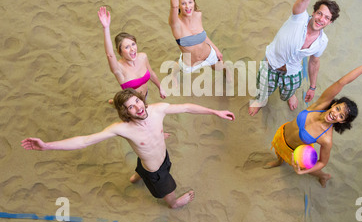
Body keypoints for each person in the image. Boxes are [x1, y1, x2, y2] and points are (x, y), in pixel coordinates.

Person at [21, 88, 235, 209]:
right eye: (131, 106)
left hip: (159, 158)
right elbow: (85, 140)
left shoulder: (157, 110)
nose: (138, 107)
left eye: (137, 101)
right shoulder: (122, 128)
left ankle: (137, 176)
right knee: (167, 189)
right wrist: (47, 146)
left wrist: (214, 112)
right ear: (125, 113)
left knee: (141, 167)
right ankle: (174, 203)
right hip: (155, 172)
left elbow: (187, 107)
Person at [264, 50, 362, 188]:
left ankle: (324, 176)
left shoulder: (326, 139)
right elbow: (342, 82)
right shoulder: (319, 105)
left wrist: (303, 172)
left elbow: (322, 162)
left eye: (341, 116)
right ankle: (278, 162)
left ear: (342, 121)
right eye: (338, 109)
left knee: (312, 168)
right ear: (334, 104)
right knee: (278, 150)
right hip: (281, 135)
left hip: (294, 152)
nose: (336, 114)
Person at [249, 0, 354, 116]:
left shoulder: (322, 42)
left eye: (327, 17)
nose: (321, 19)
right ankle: (260, 100)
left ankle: (289, 95)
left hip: (293, 72)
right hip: (270, 64)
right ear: (313, 12)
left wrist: (312, 86)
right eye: (319, 13)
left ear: (330, 22)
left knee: (287, 92)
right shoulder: (298, 18)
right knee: (263, 89)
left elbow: (314, 62)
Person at [167, 0, 230, 77]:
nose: (188, 6)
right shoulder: (175, 23)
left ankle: (228, 73)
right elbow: (173, 5)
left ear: (194, 3)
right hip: (190, 65)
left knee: (221, 68)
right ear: (179, 6)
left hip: (208, 55)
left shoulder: (198, 14)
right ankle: (176, 66)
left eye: (190, 2)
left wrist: (216, 49)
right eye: (183, 3)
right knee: (180, 66)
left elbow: (202, 35)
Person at [98, 6, 166, 101]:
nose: (132, 49)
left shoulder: (143, 57)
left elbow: (151, 73)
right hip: (131, 104)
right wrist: (106, 28)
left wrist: (160, 87)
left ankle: (115, 101)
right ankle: (116, 102)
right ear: (120, 52)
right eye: (127, 47)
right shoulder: (118, 69)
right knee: (123, 104)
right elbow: (110, 54)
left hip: (144, 96)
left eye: (133, 44)